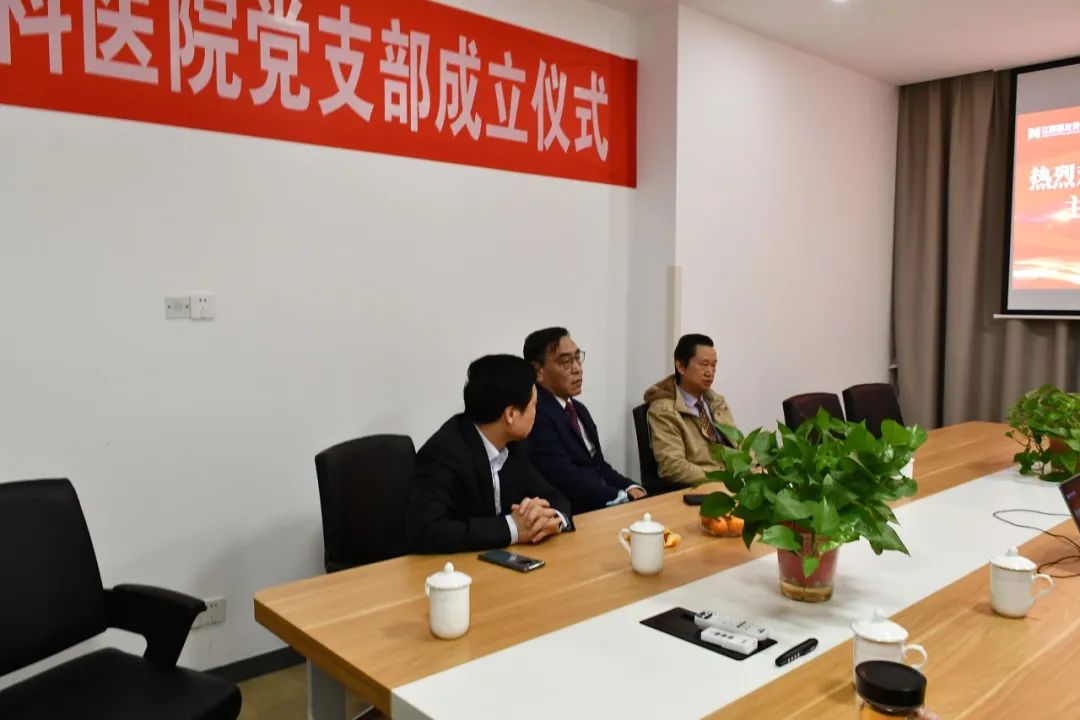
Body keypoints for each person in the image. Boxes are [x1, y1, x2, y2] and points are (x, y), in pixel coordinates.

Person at [408, 354, 574, 554]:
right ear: (510, 414)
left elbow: (553, 496)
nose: (536, 414)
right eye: (534, 406)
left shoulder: (515, 445)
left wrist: (550, 519)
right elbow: (426, 530)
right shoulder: (445, 453)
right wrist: (513, 528)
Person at [523, 327, 644, 514]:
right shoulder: (536, 415)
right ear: (538, 371)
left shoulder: (578, 409)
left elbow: (598, 465)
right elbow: (565, 479)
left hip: (601, 503)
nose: (577, 369)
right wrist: (619, 496)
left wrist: (630, 487)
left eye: (578, 358)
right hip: (574, 513)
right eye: (566, 362)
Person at [642, 334, 735, 485]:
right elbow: (673, 468)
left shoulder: (716, 402)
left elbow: (738, 445)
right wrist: (723, 478)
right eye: (704, 364)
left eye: (713, 365)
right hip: (702, 486)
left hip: (732, 481)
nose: (710, 372)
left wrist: (756, 467)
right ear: (681, 366)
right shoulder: (663, 410)